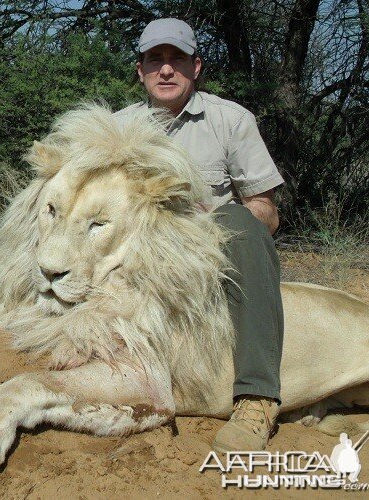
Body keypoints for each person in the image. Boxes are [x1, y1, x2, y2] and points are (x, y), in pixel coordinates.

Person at [114, 18, 284, 452]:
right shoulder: (114, 129)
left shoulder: (232, 121)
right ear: (140, 70)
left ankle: (257, 397)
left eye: (177, 59)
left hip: (208, 254)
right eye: (156, 59)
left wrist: (212, 219)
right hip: (136, 256)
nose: (166, 70)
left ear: (197, 66)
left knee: (241, 222)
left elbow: (266, 212)